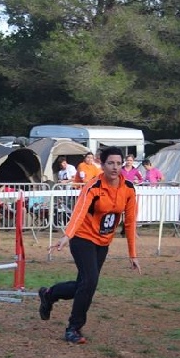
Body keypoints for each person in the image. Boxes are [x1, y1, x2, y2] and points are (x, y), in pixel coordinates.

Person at [38, 146, 141, 345]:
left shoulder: (128, 188)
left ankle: (49, 294)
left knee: (83, 284)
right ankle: (73, 328)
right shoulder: (93, 186)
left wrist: (133, 254)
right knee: (90, 282)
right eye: (110, 163)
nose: (115, 167)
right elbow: (79, 211)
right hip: (82, 238)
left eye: (119, 163)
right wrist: (67, 235)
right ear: (102, 165)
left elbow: (130, 222)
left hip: (103, 242)